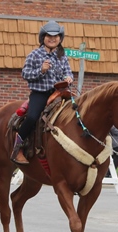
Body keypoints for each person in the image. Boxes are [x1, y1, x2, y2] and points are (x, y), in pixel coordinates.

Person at [12, 20, 73, 164]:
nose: (52, 39)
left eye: (56, 36)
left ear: (60, 38)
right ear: (43, 38)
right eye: (49, 36)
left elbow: (68, 72)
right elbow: (25, 74)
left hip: (59, 92)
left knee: (77, 113)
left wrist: (68, 78)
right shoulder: (35, 55)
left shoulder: (62, 55)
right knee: (32, 117)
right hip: (40, 93)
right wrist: (41, 70)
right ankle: (17, 148)